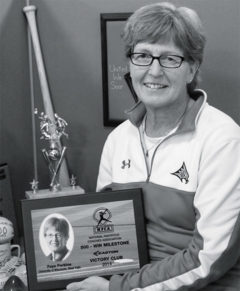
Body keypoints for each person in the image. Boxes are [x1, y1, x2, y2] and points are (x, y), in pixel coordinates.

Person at [67, 2, 240, 290]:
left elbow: (210, 258)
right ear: (131, 64)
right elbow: (104, 238)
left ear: (191, 68)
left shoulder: (223, 140)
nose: (154, 71)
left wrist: (117, 288)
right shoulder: (118, 140)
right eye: (143, 56)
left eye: (170, 59)